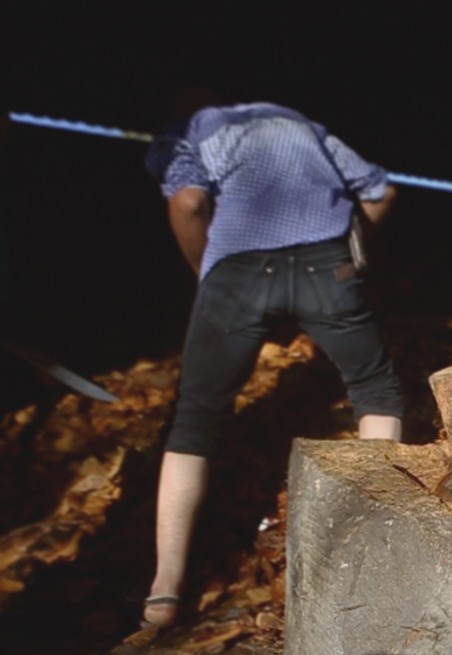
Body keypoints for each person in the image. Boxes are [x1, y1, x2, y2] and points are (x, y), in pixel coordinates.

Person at [141, 99, 405, 628]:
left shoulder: (191, 130)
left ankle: (164, 590)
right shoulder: (301, 125)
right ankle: (370, 559)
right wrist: (348, 250)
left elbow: (189, 203)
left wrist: (206, 274)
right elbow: (381, 192)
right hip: (326, 265)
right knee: (376, 391)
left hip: (236, 271)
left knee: (194, 419)